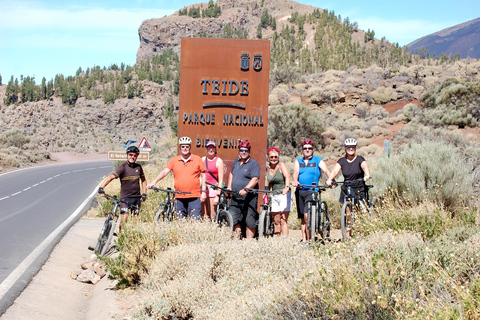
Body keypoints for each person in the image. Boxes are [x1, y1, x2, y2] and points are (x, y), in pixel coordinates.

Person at [147, 136, 206, 220]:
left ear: (190, 147)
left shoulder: (197, 159)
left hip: (194, 196)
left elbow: (203, 176)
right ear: (180, 147)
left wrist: (203, 192)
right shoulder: (174, 160)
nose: (185, 148)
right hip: (179, 196)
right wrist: (154, 181)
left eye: (187, 146)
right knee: (180, 221)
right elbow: (165, 172)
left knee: (195, 220)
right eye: (183, 146)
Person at [326, 138, 370, 236]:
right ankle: (348, 235)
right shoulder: (342, 161)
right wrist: (330, 179)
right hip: (347, 187)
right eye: (349, 147)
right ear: (345, 148)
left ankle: (360, 232)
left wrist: (366, 175)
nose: (351, 149)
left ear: (355, 148)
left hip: (358, 186)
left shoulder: (360, 159)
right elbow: (335, 171)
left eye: (353, 147)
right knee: (348, 213)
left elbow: (365, 167)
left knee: (358, 212)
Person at [292, 139, 332, 243]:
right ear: (302, 150)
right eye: (305, 148)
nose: (307, 150)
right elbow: (295, 172)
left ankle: (310, 240)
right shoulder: (298, 161)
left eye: (309, 148)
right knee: (302, 218)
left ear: (313, 149)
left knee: (307, 216)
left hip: (312, 190)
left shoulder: (317, 160)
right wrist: (295, 180)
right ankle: (304, 240)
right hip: (300, 190)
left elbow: (326, 171)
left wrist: (331, 180)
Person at [98, 145, 147, 232]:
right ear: (127, 155)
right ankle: (121, 236)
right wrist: (101, 187)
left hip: (136, 198)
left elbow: (143, 180)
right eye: (130, 155)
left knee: (135, 220)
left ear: (137, 157)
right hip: (125, 198)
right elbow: (110, 177)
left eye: (135, 155)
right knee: (125, 218)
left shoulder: (138, 167)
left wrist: (144, 193)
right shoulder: (123, 167)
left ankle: (132, 238)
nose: (132, 157)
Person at [227, 139, 260, 239]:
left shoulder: (253, 164)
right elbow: (231, 174)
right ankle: (238, 240)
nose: (244, 152)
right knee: (234, 219)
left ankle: (249, 244)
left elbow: (255, 179)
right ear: (239, 151)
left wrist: (246, 189)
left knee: (250, 221)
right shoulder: (236, 162)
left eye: (246, 150)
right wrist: (229, 186)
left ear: (249, 151)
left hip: (249, 198)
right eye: (242, 150)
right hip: (236, 197)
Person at [266, 147, 291, 237]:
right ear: (268, 157)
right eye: (271, 157)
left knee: (283, 219)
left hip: (284, 194)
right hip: (275, 194)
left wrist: (286, 187)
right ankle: (277, 238)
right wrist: (266, 191)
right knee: (276, 219)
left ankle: (284, 239)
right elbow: (268, 181)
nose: (273, 159)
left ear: (278, 158)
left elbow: (287, 176)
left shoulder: (281, 165)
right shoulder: (267, 167)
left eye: (275, 157)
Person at [201, 140, 224, 220]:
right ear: (206, 149)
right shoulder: (203, 159)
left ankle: (213, 230)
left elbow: (220, 180)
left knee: (212, 216)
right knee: (203, 215)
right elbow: (200, 176)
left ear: (215, 149)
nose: (211, 150)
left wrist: (218, 195)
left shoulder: (219, 161)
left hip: (213, 190)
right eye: (209, 147)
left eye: (213, 148)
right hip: (203, 189)